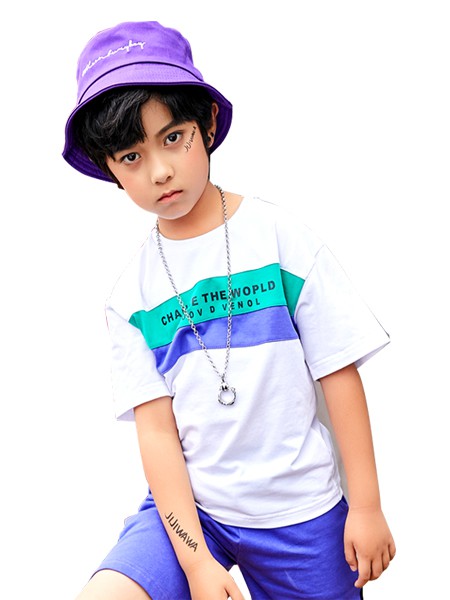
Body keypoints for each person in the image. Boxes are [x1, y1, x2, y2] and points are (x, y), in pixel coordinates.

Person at [63, 20, 396, 600]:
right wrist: (194, 561)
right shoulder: (130, 297)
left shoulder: (280, 240)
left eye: (174, 138)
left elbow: (338, 372)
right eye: (131, 156)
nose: (159, 171)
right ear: (109, 168)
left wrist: (366, 505)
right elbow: (157, 434)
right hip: (192, 513)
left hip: (300, 511)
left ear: (209, 124)